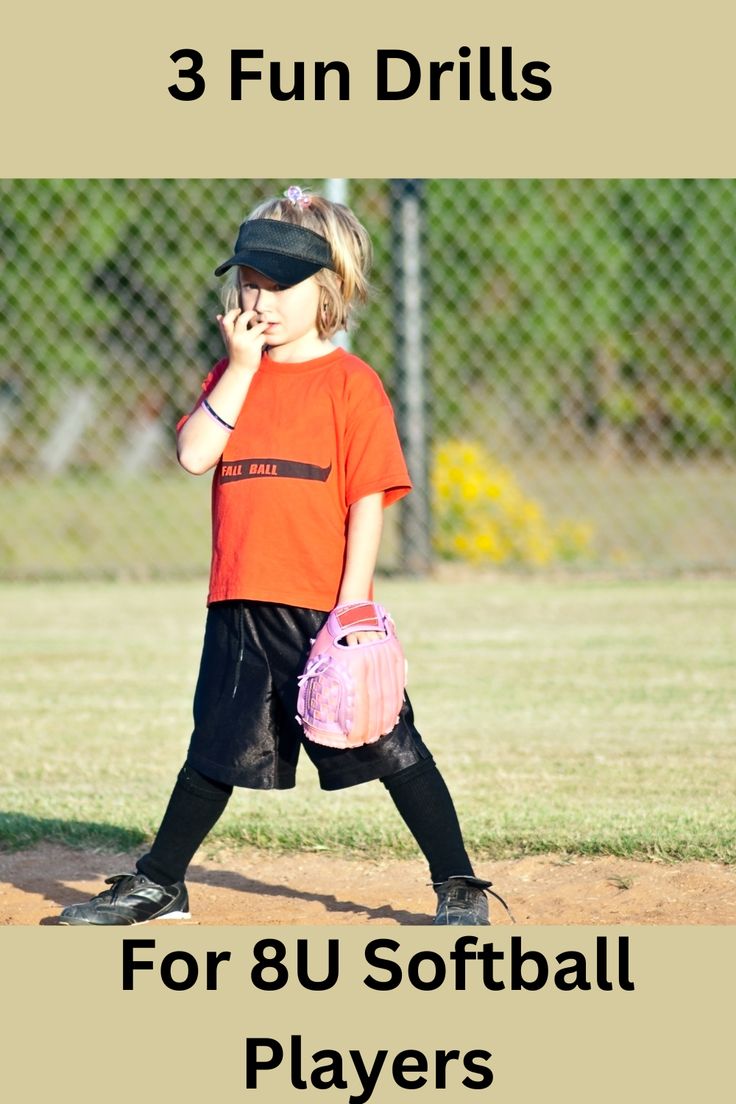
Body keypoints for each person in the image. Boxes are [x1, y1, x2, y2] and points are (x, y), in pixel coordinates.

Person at [59, 185, 502, 927]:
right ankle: (162, 882)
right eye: (248, 283)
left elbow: (368, 498)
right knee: (215, 752)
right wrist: (239, 366)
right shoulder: (231, 377)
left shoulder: (352, 387)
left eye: (277, 285)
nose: (259, 299)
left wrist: (354, 610)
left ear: (325, 291)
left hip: (325, 608)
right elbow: (195, 455)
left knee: (392, 746)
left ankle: (457, 881)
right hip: (242, 599)